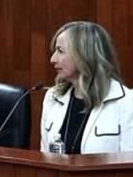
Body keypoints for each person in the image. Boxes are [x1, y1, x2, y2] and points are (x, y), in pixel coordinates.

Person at [40, 21, 133, 153]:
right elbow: (45, 159)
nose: (53, 59)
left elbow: (128, 167)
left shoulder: (127, 103)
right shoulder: (52, 98)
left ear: (84, 55)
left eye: (60, 51)